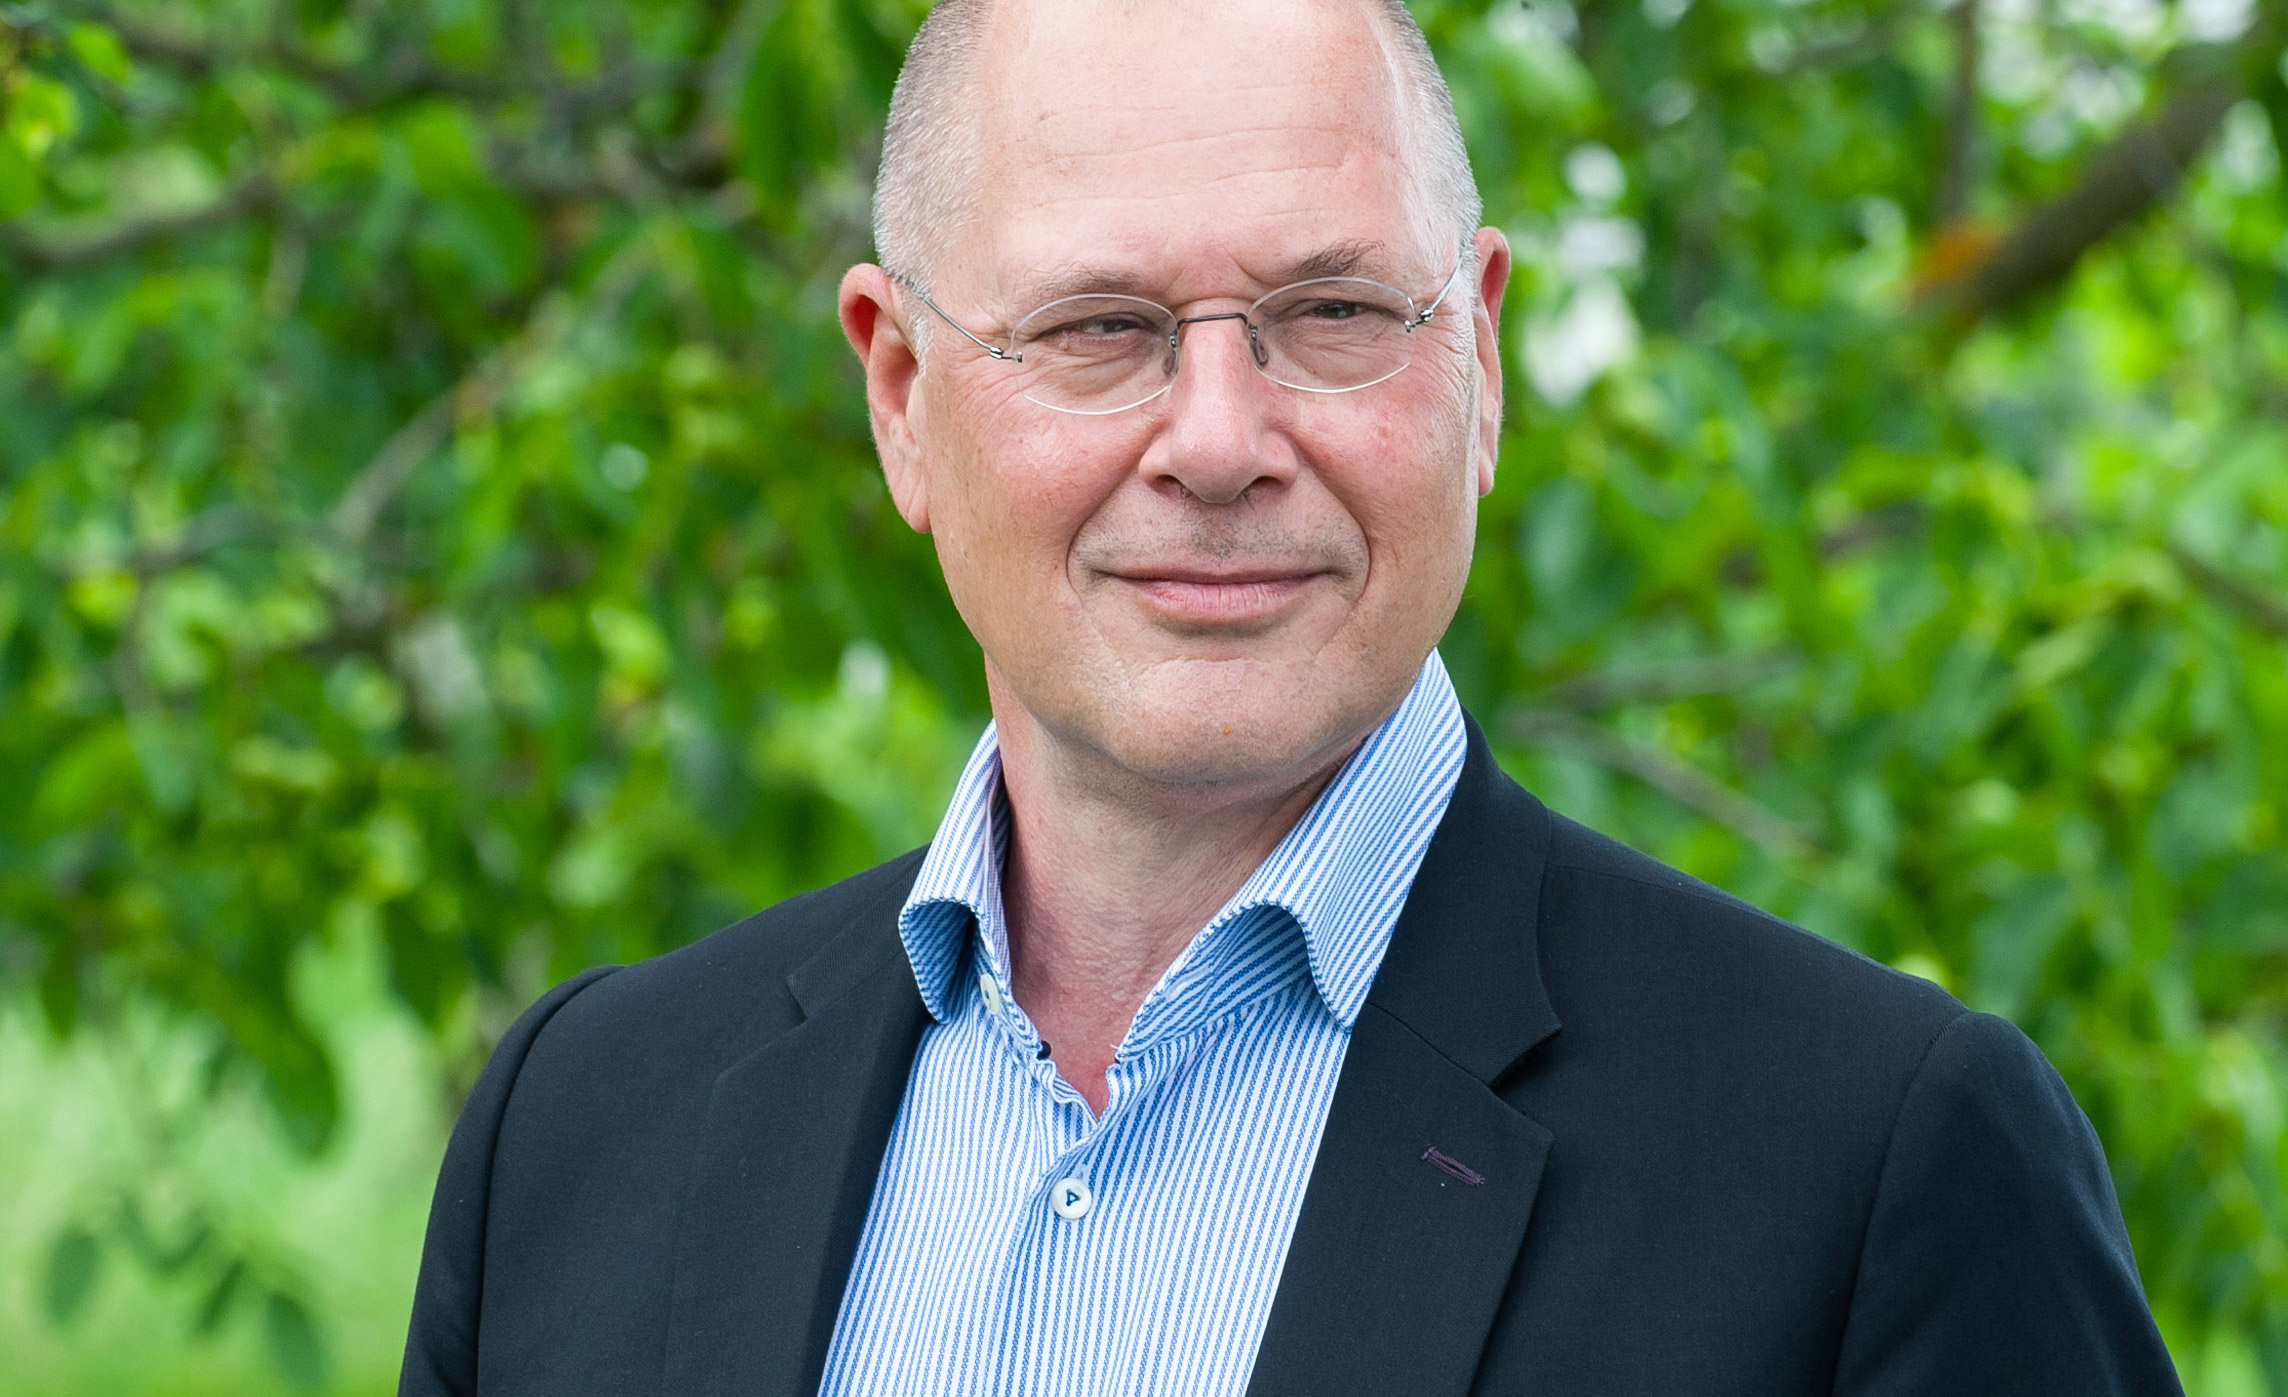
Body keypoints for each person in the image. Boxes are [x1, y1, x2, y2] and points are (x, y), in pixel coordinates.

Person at [397, 1, 2184, 1393]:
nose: (1220, 439)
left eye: (1332, 312)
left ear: (1480, 360)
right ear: (902, 397)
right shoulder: (575, 1136)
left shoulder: (1874, 1170)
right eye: (1098, 329)